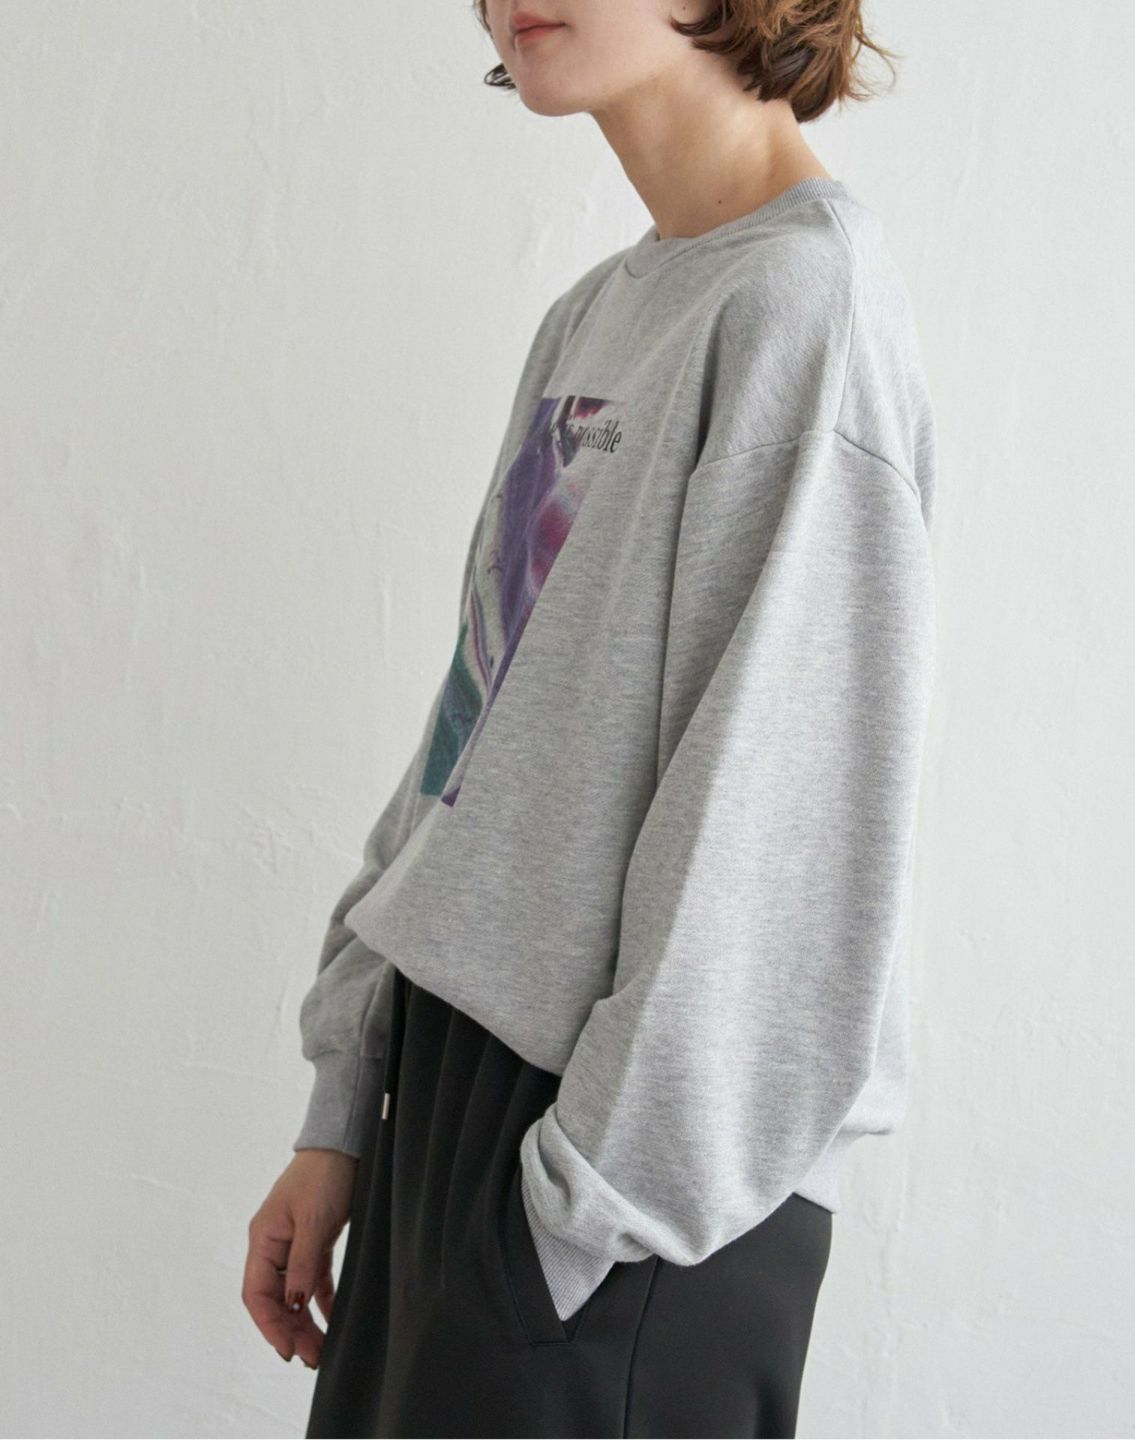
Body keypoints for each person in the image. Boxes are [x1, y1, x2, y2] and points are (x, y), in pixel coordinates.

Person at [242, 2, 937, 1435]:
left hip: (624, 1195)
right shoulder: (600, 314)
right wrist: (347, 1109)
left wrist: (575, 1219)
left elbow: (779, 846)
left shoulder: (808, 306)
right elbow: (471, 737)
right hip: (463, 1120)